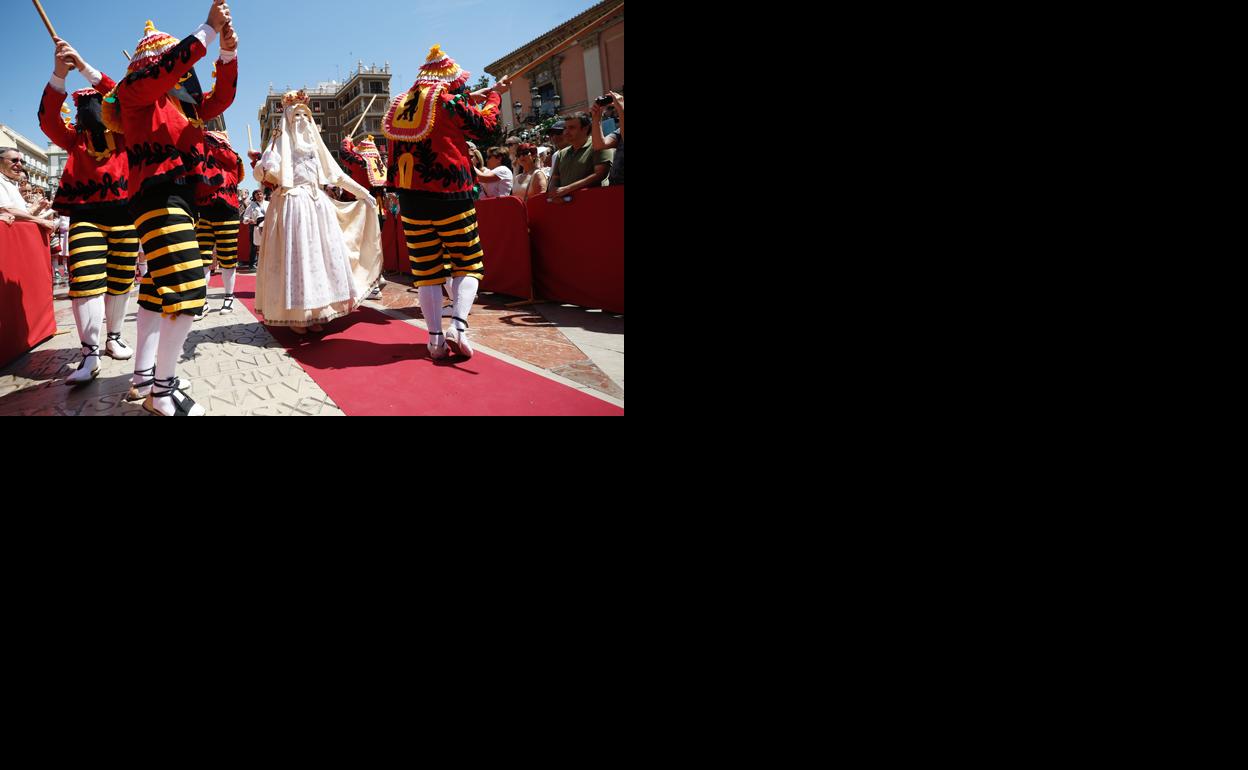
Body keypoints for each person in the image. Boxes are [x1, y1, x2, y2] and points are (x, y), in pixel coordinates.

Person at [104, 2, 239, 415]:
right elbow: (167, 70)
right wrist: (207, 30)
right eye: (177, 71)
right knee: (185, 288)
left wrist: (228, 54)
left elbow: (221, 99)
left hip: (178, 196)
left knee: (155, 293)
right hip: (159, 196)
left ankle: (145, 377)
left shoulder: (182, 105)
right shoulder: (134, 92)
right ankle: (161, 392)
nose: (184, 79)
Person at [382, 44, 510, 360]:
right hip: (451, 194)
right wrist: (494, 97)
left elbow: (436, 116)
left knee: (427, 270)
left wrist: (470, 99)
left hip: (411, 200)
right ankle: (459, 327)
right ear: (449, 82)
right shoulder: (448, 102)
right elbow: (485, 127)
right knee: (468, 262)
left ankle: (435, 339)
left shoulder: (398, 104)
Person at [38, 36, 138, 384]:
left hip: (125, 214)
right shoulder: (74, 139)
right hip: (85, 215)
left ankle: (114, 338)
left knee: (122, 279)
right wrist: (58, 74)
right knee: (86, 282)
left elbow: (122, 93)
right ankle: (89, 354)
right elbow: (48, 117)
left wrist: (83, 66)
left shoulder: (127, 133)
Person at [252, 89, 383, 334]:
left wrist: (364, 193)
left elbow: (337, 175)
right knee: (298, 259)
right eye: (297, 115)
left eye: (306, 115)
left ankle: (318, 310)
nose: (302, 119)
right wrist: (263, 166)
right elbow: (262, 173)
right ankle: (298, 314)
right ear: (289, 118)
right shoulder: (279, 144)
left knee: (320, 260)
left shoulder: (315, 148)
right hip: (292, 206)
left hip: (317, 205)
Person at [194, 130, 245, 316]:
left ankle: (229, 297)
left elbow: (224, 155)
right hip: (205, 212)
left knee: (227, 259)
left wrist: (203, 138)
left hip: (226, 213)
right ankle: (202, 300)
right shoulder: (201, 159)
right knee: (203, 258)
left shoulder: (231, 157)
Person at [548, 112, 613, 204]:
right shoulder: (561, 154)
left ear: (585, 128)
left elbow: (600, 174)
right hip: (567, 207)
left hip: (595, 204)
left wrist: (567, 189)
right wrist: (553, 193)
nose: (566, 132)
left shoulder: (598, 146)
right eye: (565, 128)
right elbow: (555, 178)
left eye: (571, 128)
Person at [1, 149, 56, 231]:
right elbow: (6, 210)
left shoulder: (12, 183)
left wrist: (38, 208)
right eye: (14, 160)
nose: (19, 164)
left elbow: (22, 214)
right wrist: (40, 221)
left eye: (21, 162)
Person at [591, 90, 624, 186]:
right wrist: (597, 117)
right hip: (615, 187)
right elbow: (599, 145)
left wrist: (621, 110)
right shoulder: (620, 130)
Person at [240, 188, 266, 270]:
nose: (259, 195)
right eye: (257, 194)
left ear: (263, 195)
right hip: (255, 227)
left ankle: (265, 263)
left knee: (266, 246)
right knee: (254, 246)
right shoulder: (251, 205)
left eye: (260, 194)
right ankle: (252, 264)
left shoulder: (269, 204)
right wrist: (249, 220)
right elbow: (245, 217)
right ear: (254, 196)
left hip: (267, 227)